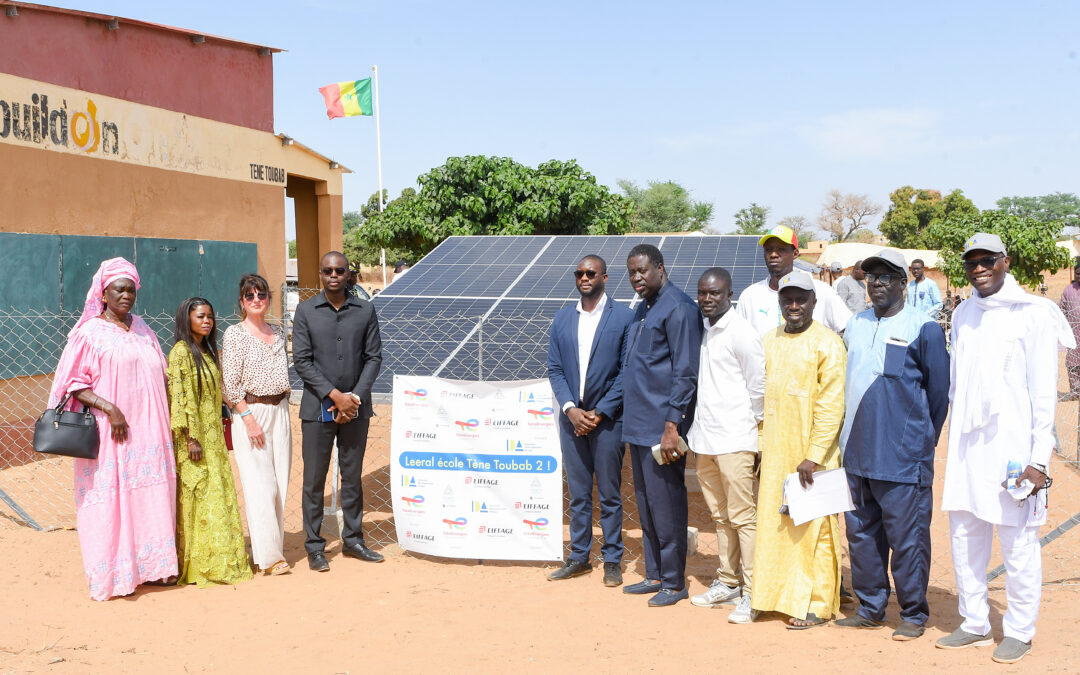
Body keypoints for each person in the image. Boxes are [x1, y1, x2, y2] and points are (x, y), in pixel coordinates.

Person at [937, 233, 1074, 663]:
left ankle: (1019, 629)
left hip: (1015, 450)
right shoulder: (963, 315)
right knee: (964, 535)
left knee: (1018, 542)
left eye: (987, 260)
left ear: (1005, 262)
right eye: (971, 261)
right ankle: (974, 622)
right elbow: (958, 386)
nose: (978, 268)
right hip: (968, 448)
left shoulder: (1033, 314)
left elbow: (1043, 394)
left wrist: (1038, 460)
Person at [835, 250, 949, 640]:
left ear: (904, 283)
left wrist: (918, 442)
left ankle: (914, 614)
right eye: (871, 276)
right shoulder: (855, 324)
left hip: (903, 459)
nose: (877, 282)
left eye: (887, 276)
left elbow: (938, 394)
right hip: (856, 454)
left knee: (908, 540)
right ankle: (870, 608)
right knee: (862, 537)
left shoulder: (924, 328)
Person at [48, 257, 178, 600]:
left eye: (131, 290)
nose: (126, 295)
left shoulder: (143, 328)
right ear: (103, 293)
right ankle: (116, 573)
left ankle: (154, 568)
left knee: (150, 494)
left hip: (151, 431)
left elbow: (161, 373)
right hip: (112, 432)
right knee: (113, 498)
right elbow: (74, 383)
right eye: (119, 289)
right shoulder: (89, 333)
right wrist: (110, 408)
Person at [752, 270, 846, 628]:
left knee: (816, 528)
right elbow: (760, 400)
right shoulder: (768, 340)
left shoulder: (828, 343)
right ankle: (771, 595)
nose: (794, 306)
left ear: (813, 302)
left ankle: (817, 605)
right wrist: (761, 447)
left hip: (812, 458)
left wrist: (815, 454)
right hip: (775, 453)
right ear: (779, 303)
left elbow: (831, 404)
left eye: (801, 299)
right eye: (787, 300)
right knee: (775, 525)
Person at [621, 244, 702, 607]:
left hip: (662, 430)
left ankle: (674, 581)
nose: (637, 278)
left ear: (660, 267)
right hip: (638, 426)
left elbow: (685, 373)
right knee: (647, 504)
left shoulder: (680, 307)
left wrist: (673, 426)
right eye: (632, 273)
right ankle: (654, 574)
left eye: (642, 271)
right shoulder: (644, 308)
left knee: (667, 504)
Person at [546, 255, 634, 586]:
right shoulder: (563, 318)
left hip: (608, 421)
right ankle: (579, 557)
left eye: (590, 273)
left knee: (610, 492)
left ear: (605, 277)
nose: (584, 278)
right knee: (579, 493)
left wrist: (599, 412)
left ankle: (612, 559)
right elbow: (554, 367)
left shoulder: (624, 317)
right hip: (572, 420)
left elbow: (627, 371)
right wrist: (570, 408)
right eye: (579, 273)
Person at [293, 251, 384, 571]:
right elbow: (302, 361)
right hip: (317, 409)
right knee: (314, 479)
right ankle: (315, 546)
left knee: (352, 476)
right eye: (327, 270)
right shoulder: (305, 311)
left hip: (356, 410)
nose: (333, 275)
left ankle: (354, 539)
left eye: (339, 270)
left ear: (349, 274)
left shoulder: (365, 310)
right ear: (320, 274)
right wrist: (335, 396)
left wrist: (354, 398)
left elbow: (373, 357)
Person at [686, 268, 765, 624]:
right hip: (705, 438)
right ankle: (729, 581)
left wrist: (754, 433)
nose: (707, 299)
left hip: (735, 439)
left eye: (715, 293)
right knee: (719, 516)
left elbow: (758, 387)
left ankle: (753, 593)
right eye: (703, 293)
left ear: (729, 294)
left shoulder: (742, 333)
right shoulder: (700, 330)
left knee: (744, 518)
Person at [167, 297, 253, 587]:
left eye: (210, 317)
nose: (207, 321)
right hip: (195, 438)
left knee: (216, 494)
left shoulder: (207, 351)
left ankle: (221, 557)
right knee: (199, 494)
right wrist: (191, 438)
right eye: (200, 316)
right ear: (186, 319)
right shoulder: (181, 353)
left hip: (213, 437)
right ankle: (198, 564)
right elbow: (180, 397)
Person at [222, 274, 293, 576]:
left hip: (281, 411)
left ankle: (270, 547)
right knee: (260, 486)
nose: (256, 300)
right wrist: (247, 418)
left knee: (279, 484)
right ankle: (270, 558)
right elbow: (229, 383)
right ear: (241, 302)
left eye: (260, 294)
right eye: (249, 296)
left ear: (268, 298)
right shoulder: (234, 334)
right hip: (252, 413)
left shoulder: (278, 332)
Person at [736, 225, 851, 335]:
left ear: (795, 253)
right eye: (769, 250)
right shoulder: (750, 296)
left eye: (781, 249)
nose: (773, 255)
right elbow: (738, 339)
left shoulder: (821, 291)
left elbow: (849, 329)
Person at [1057, 257, 1080, 400]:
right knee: (1073, 364)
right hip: (1074, 335)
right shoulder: (1068, 290)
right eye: (1078, 273)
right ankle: (1075, 392)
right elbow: (1062, 310)